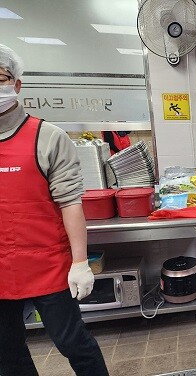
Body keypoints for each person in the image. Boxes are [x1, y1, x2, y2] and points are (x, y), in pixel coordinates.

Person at [0, 44, 108, 375]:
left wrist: (79, 262)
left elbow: (71, 203)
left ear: (16, 84)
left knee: (72, 343)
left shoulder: (47, 137)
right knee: (6, 350)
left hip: (47, 266)